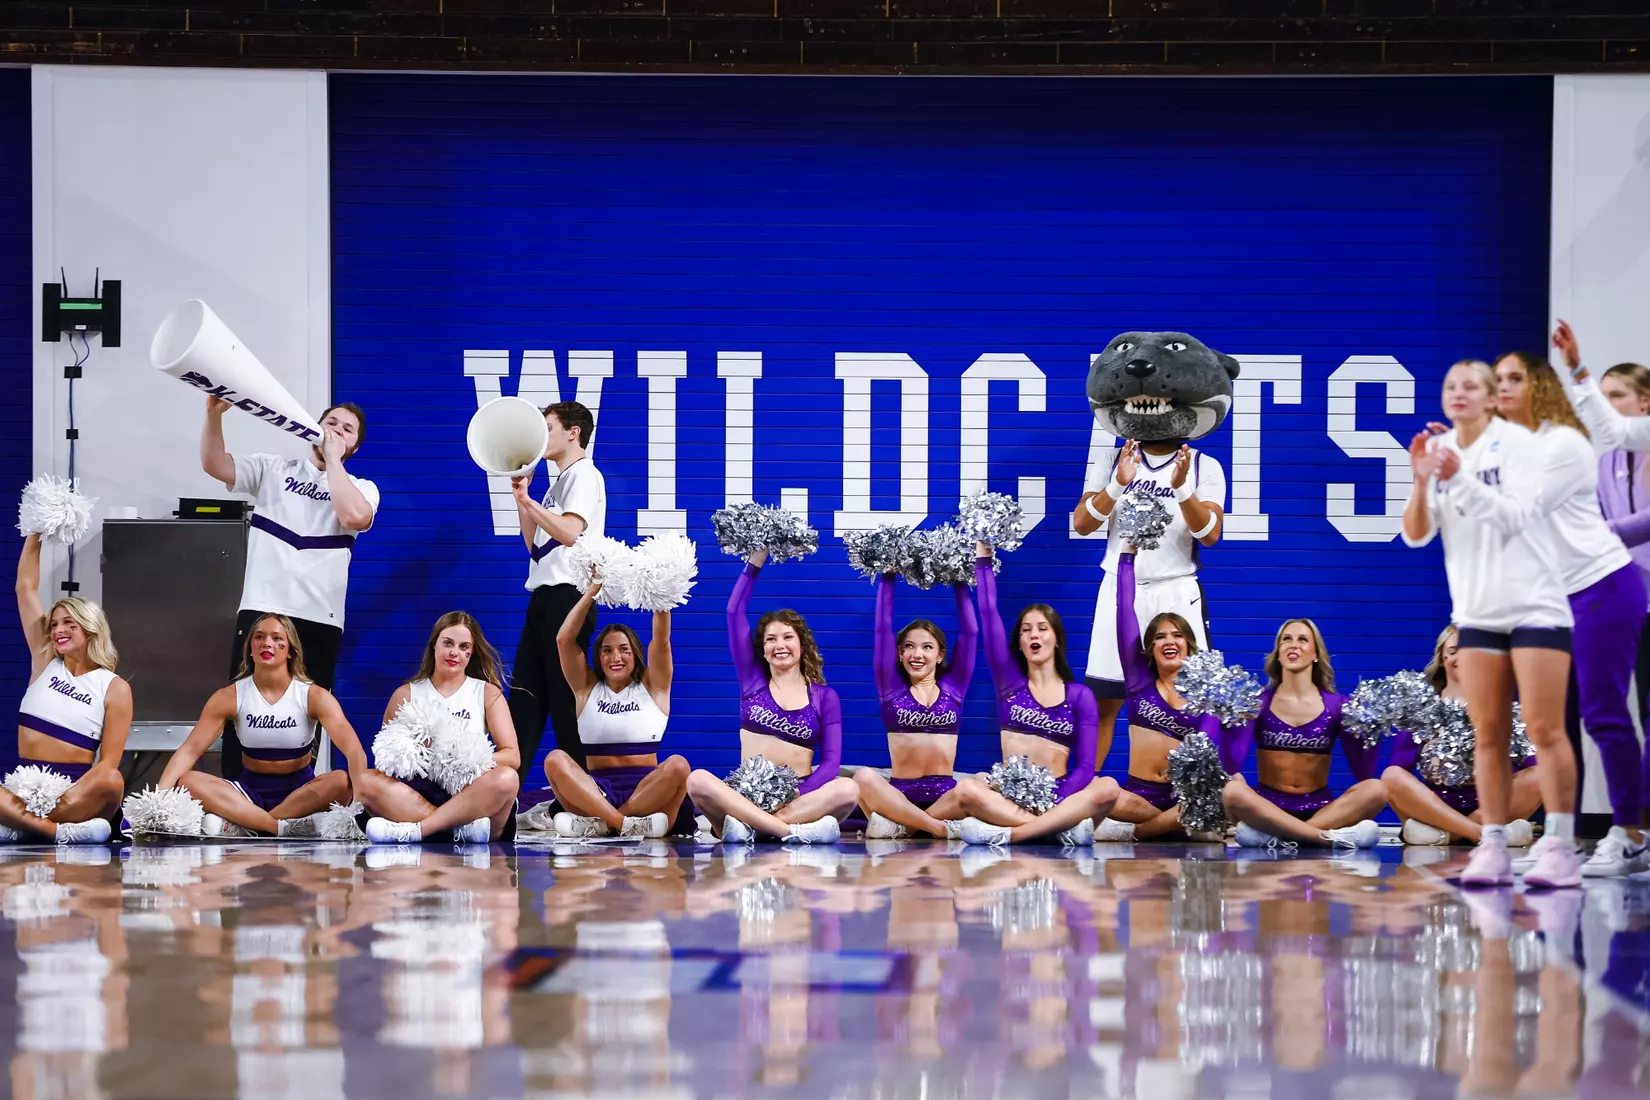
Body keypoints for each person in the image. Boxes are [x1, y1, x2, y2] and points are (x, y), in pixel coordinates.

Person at [1401, 358, 1576, 889]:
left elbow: (1518, 515)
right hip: (1477, 612)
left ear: (1492, 397)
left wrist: (1458, 477)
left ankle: (1561, 845)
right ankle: (1494, 844)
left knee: (1544, 729)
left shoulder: (1521, 444)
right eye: (1451, 385)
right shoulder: (1440, 449)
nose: (1459, 392)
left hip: (1535, 605)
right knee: (1490, 733)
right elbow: (1416, 534)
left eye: (1471, 385)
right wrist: (1421, 480)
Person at [1495, 349, 1648, 877]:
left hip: (1607, 585)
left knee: (1608, 714)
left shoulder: (1564, 445)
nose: (1499, 390)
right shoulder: (1528, 448)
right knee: (1556, 720)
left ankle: (1631, 832)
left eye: (1513, 380)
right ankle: (1565, 836)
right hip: (1564, 592)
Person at [201, 397, 378, 778]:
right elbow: (215, 465)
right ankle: (236, 791)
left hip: (319, 617)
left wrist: (333, 460)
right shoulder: (274, 469)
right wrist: (213, 416)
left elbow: (354, 517)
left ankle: (301, 795)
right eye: (331, 422)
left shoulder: (363, 488)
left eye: (347, 430)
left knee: (308, 711)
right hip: (263, 607)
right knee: (244, 703)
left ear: (355, 447)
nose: (336, 431)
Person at [950, 543, 1121, 846]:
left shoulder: (1079, 695)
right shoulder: (1009, 683)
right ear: (1019, 643)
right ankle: (1060, 829)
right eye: (1026, 630)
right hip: (1009, 793)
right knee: (967, 788)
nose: (1034, 634)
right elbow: (988, 614)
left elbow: (1085, 767)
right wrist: (983, 560)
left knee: (1107, 786)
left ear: (1057, 639)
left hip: (1058, 793)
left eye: (1042, 628)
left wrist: (1056, 799)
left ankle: (1012, 833)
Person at [684, 550, 859, 843]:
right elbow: (733, 612)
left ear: (802, 644)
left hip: (795, 797)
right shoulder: (753, 682)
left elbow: (830, 763)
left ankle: (751, 828)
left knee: (848, 789)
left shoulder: (824, 697)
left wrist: (795, 794)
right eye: (771, 639)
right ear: (762, 650)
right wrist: (754, 564)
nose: (780, 645)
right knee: (697, 780)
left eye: (788, 637)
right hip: (746, 793)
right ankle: (789, 832)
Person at [1072, 437, 1225, 765]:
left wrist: (1182, 488)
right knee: (1104, 702)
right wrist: (1117, 484)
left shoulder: (1203, 464)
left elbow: (1210, 535)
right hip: (1119, 585)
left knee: (1191, 701)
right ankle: (1084, 789)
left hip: (1176, 591)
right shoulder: (1113, 458)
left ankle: (1191, 790)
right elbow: (1082, 524)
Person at [157, 614, 368, 836]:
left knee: (342, 781)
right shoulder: (229, 696)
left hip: (300, 793)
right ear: (250, 648)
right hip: (248, 793)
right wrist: (158, 799)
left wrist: (359, 807)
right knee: (188, 781)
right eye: (259, 637)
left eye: (277, 638)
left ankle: (247, 825)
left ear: (291, 650)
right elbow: (190, 750)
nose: (267, 643)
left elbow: (354, 751)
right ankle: (280, 828)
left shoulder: (313, 695)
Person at [1216, 619, 1386, 849]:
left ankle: (1284, 838)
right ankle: (1323, 838)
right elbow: (1232, 764)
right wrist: (1229, 726)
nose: (1293, 644)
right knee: (1232, 790)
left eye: (1303, 639)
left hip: (1321, 809)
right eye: (1286, 639)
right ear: (1278, 653)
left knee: (1376, 789)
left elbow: (1363, 773)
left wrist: (1371, 734)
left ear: (1315, 654)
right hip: (1268, 807)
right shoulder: (1256, 703)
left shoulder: (1338, 706)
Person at [541, 581, 689, 838]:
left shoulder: (654, 686)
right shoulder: (586, 688)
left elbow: (661, 640)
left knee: (679, 765)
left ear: (635, 654)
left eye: (624, 650)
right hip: (597, 791)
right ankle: (623, 824)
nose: (615, 657)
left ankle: (604, 824)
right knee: (554, 760)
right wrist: (591, 591)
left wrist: (660, 586)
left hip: (646, 791)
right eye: (607, 651)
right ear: (599, 657)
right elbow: (564, 640)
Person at [358, 612, 522, 843]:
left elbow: (512, 756)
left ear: (471, 653)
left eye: (464, 646)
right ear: (434, 644)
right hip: (417, 794)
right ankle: (458, 831)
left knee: (508, 778)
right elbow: (385, 760)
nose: (454, 652)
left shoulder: (487, 693)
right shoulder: (406, 694)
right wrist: (421, 756)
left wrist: (460, 759)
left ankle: (419, 831)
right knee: (365, 780)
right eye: (448, 643)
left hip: (471, 793)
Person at [3, 534, 125, 842]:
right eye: (55, 624)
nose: (58, 630)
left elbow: (107, 764)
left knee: (112, 780)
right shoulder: (45, 661)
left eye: (69, 623)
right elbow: (24, 588)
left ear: (90, 628)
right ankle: (55, 831)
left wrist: (80, 792)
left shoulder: (114, 687)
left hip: (75, 792)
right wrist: (35, 531)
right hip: (26, 788)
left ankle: (18, 826)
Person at [507, 401, 606, 778]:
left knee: (566, 703)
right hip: (544, 597)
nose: (540, 436)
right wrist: (523, 498)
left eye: (547, 428)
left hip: (568, 598)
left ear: (573, 432)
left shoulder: (584, 475)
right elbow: (535, 547)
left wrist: (529, 502)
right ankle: (507, 796)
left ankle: (580, 797)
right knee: (525, 699)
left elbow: (569, 533)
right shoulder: (558, 484)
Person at [1382, 625, 1541, 846]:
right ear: (1442, 657)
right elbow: (1398, 768)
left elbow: (1532, 766)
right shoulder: (1422, 708)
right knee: (1391, 776)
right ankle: (1480, 835)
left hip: (1490, 804)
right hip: (1436, 807)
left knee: (1541, 775)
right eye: (1454, 650)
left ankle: (1448, 836)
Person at [1101, 546, 1219, 840]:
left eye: (1178, 635)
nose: (1169, 642)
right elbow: (1124, 610)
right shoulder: (1138, 682)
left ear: (1189, 646)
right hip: (1138, 796)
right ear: (1150, 648)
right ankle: (1175, 828)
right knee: (1103, 790)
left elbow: (1211, 754)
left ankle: (1139, 833)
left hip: (1184, 798)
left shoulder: (1205, 696)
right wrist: (1126, 557)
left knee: (1228, 792)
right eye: (1160, 637)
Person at [853, 572, 978, 840]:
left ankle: (905, 829)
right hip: (900, 796)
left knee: (980, 781)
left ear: (940, 655)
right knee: (862, 778)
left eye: (927, 647)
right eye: (908, 647)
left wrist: (960, 581)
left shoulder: (954, 687)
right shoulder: (891, 687)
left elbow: (971, 633)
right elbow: (882, 629)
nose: (917, 654)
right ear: (899, 654)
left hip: (945, 796)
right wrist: (887, 577)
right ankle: (936, 828)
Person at [1588, 361, 1650, 738]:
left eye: (1617, 395)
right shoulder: (1604, 462)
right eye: (1602, 397)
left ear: (1645, 402)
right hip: (1627, 603)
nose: (1606, 405)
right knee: (1636, 708)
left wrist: (1604, 534)